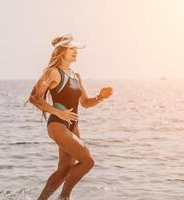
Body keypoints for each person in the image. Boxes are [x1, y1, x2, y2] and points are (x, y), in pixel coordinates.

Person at [27, 34, 113, 200]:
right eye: (71, 49)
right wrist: (58, 112)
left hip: (73, 125)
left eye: (76, 49)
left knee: (65, 168)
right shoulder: (52, 72)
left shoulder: (75, 75)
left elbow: (86, 103)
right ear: (61, 51)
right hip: (57, 125)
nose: (76, 52)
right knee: (87, 161)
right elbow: (34, 97)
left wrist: (100, 97)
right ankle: (64, 197)